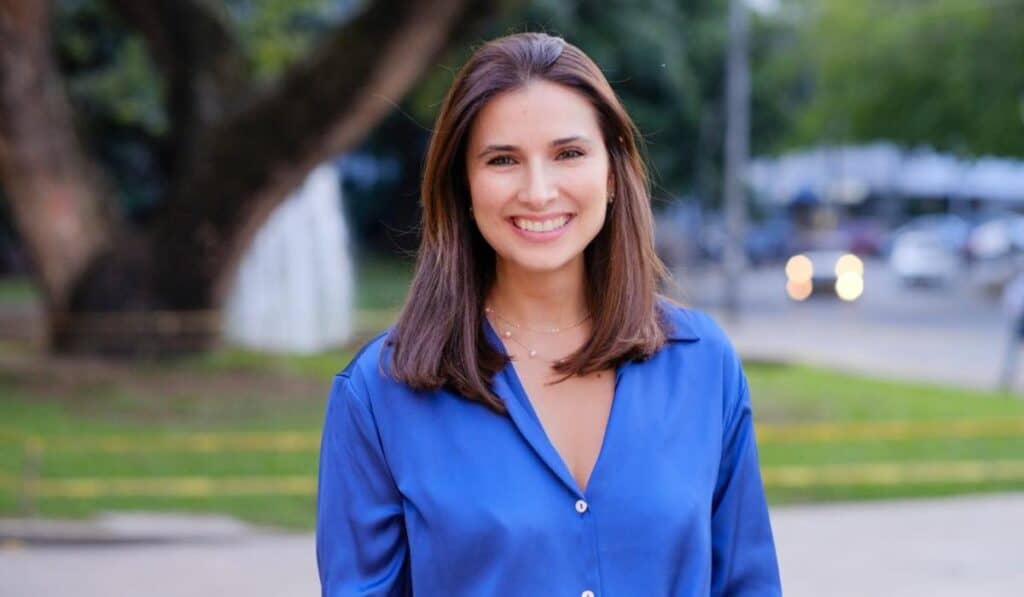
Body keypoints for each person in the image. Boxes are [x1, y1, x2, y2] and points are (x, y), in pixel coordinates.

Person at [316, 32, 782, 596]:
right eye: (503, 159)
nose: (538, 192)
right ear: (463, 183)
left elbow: (748, 585)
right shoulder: (379, 393)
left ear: (612, 172)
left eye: (568, 154)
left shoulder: (704, 365)